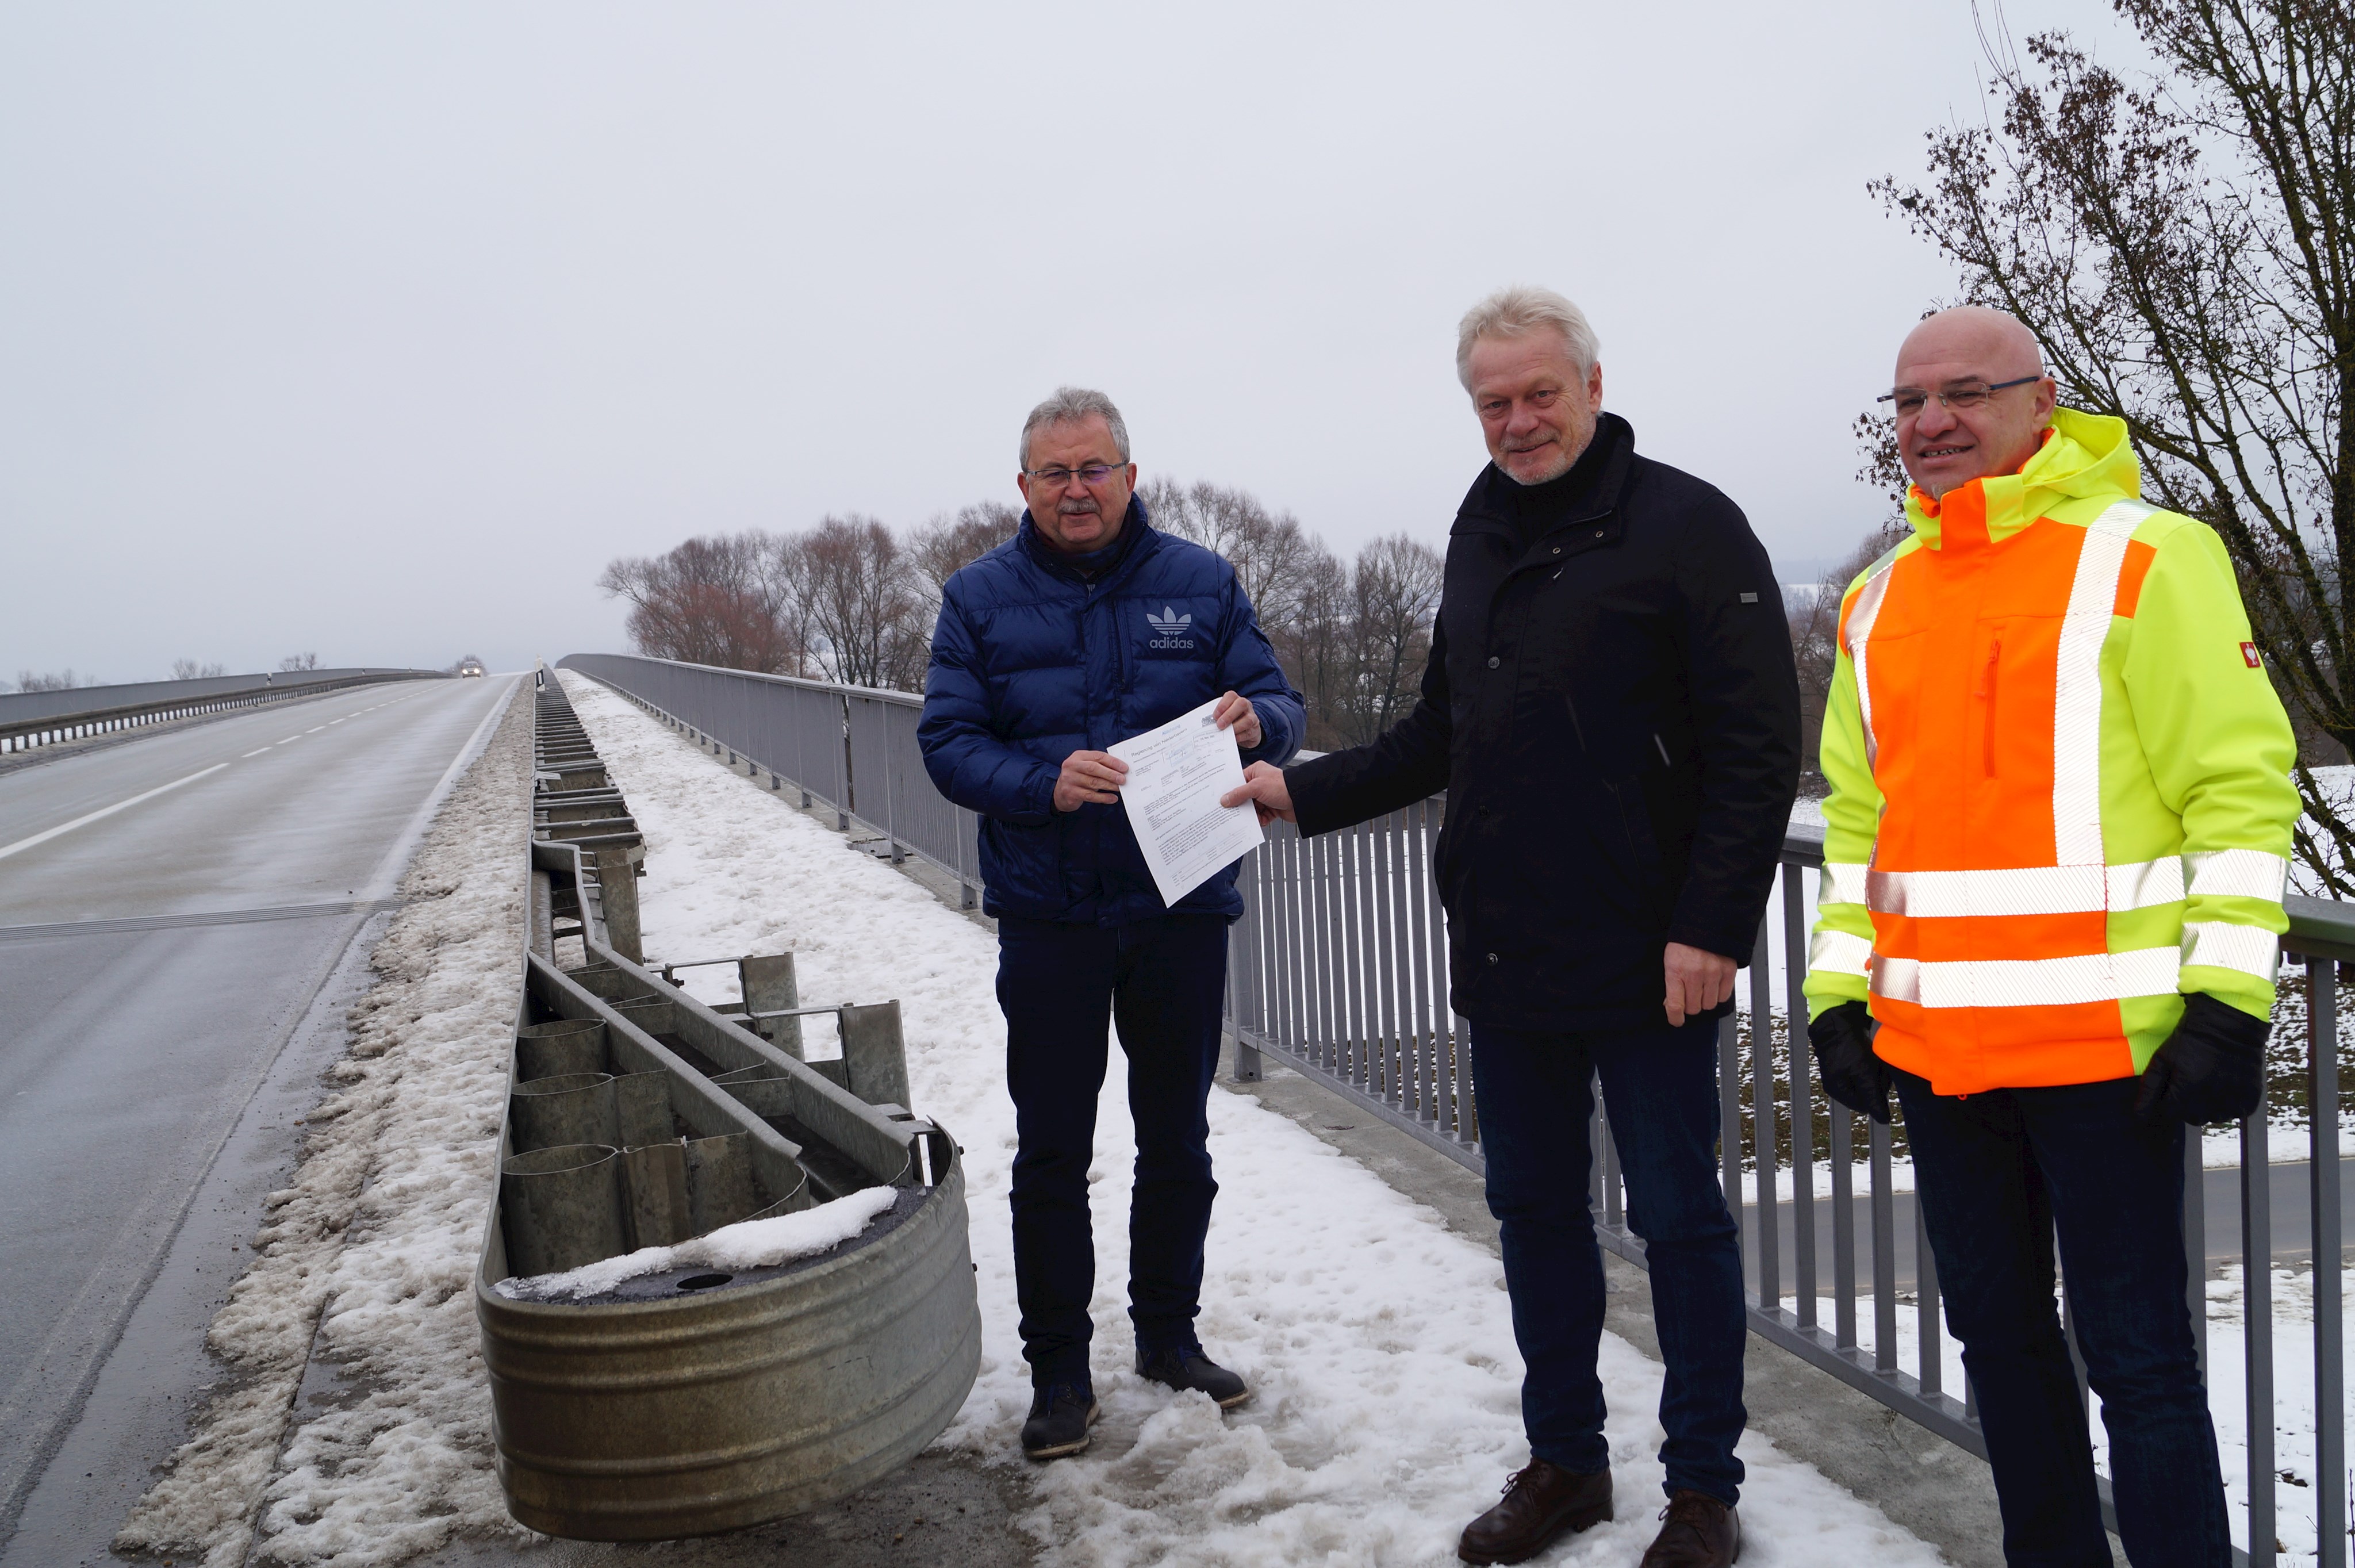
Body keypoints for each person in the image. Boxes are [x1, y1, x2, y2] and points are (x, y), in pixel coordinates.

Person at [1224, 287, 1798, 1568]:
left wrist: (1710, 923)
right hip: (1508, 943)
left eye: (1539, 393)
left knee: (1676, 1217)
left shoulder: (1688, 525)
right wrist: (1298, 787)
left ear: (1591, 384)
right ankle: (1566, 1462)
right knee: (1532, 1210)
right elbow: (1444, 728)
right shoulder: (1477, 533)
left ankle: (1701, 1486)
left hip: (1655, 952)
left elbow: (1757, 751)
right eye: (1494, 401)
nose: (1519, 419)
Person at [1804, 306, 2297, 1567]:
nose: (1930, 423)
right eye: (1907, 403)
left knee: (2135, 1361)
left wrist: (2230, 999)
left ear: (2043, 399)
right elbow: (1861, 818)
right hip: (1941, 1055)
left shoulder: (2147, 554)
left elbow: (2235, 787)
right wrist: (1836, 990)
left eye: (1963, 393)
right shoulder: (1874, 597)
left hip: (2107, 1054)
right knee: (1999, 1347)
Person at [918, 386, 1305, 1462]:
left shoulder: (1201, 581)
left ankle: (1170, 1337)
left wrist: (1258, 718)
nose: (1077, 489)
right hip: (1051, 917)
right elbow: (947, 744)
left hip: (1181, 906)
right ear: (1025, 486)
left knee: (1176, 1136)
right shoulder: (977, 599)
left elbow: (1282, 701)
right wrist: (1045, 778)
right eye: (1056, 473)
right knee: (1053, 1148)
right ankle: (1058, 1372)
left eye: (1096, 469)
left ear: (1132, 475)